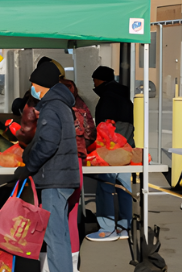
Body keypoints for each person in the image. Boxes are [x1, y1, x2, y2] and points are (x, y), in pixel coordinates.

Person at [12, 62, 80, 272]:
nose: (33, 88)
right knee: (60, 234)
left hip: (54, 178)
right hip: (63, 177)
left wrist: (29, 166)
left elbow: (48, 143)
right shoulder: (62, 105)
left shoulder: (51, 107)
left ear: (43, 85)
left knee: (54, 236)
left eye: (34, 84)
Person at [87, 65, 134, 242]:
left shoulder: (107, 98)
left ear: (100, 80)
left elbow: (103, 128)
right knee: (124, 187)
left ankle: (107, 229)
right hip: (127, 147)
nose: (94, 84)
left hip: (111, 149)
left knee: (105, 186)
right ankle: (125, 226)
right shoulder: (124, 96)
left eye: (94, 80)